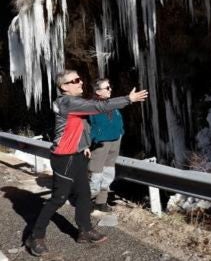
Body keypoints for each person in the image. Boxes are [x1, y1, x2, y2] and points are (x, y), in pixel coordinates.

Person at [25, 70, 148, 256]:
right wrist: (128, 99)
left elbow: (80, 125)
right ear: (64, 86)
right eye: (75, 80)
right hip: (64, 158)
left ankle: (85, 230)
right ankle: (35, 236)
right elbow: (98, 107)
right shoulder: (68, 102)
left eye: (80, 79)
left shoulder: (74, 104)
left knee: (83, 194)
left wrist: (84, 145)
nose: (80, 82)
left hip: (78, 154)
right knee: (59, 198)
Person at [88, 78, 124, 212]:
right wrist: (93, 138)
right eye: (107, 88)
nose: (110, 90)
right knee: (95, 172)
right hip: (101, 142)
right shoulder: (91, 106)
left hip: (115, 140)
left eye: (110, 87)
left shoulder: (111, 103)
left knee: (108, 172)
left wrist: (121, 131)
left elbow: (117, 118)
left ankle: (101, 201)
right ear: (98, 91)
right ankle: (87, 201)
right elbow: (86, 126)